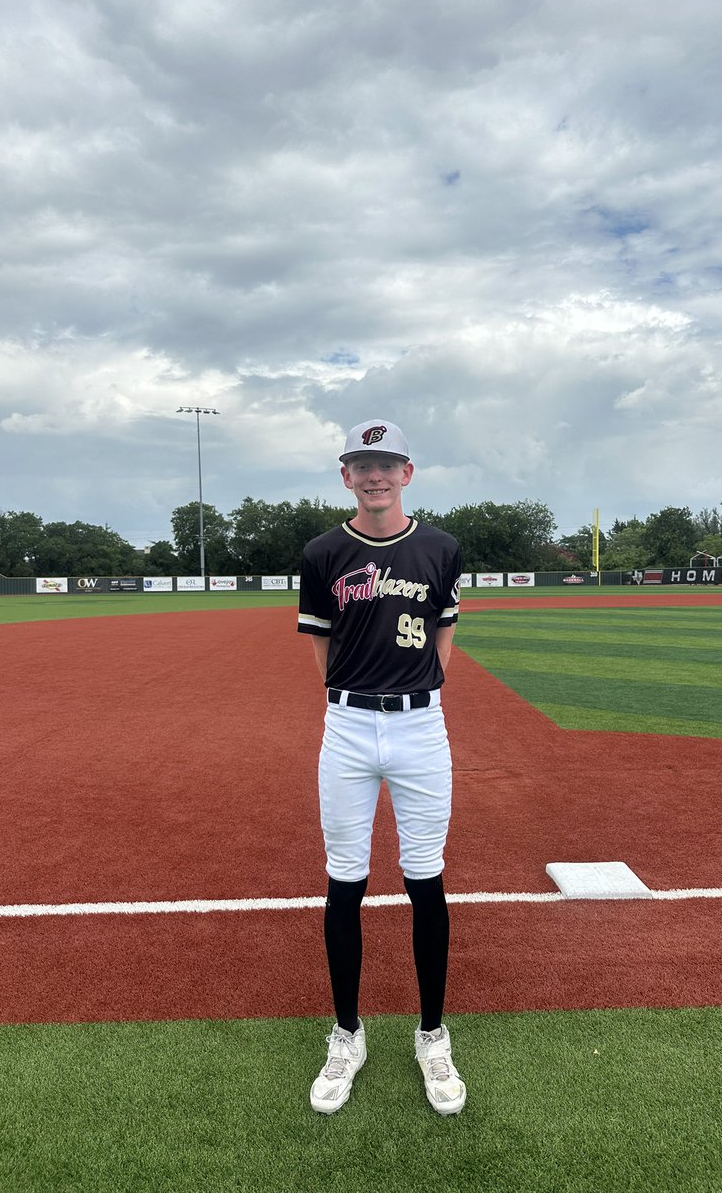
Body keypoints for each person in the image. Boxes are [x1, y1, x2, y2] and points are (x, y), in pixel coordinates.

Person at [297, 419, 466, 1116]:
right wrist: (355, 702)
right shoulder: (322, 552)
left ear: (407, 472)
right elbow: (321, 646)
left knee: (426, 880)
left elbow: (446, 632)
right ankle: (347, 1033)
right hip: (347, 728)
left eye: (386, 464)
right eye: (361, 465)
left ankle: (432, 1034)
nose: (374, 475)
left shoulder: (441, 548)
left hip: (422, 729)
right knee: (346, 880)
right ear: (345, 476)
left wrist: (414, 697)